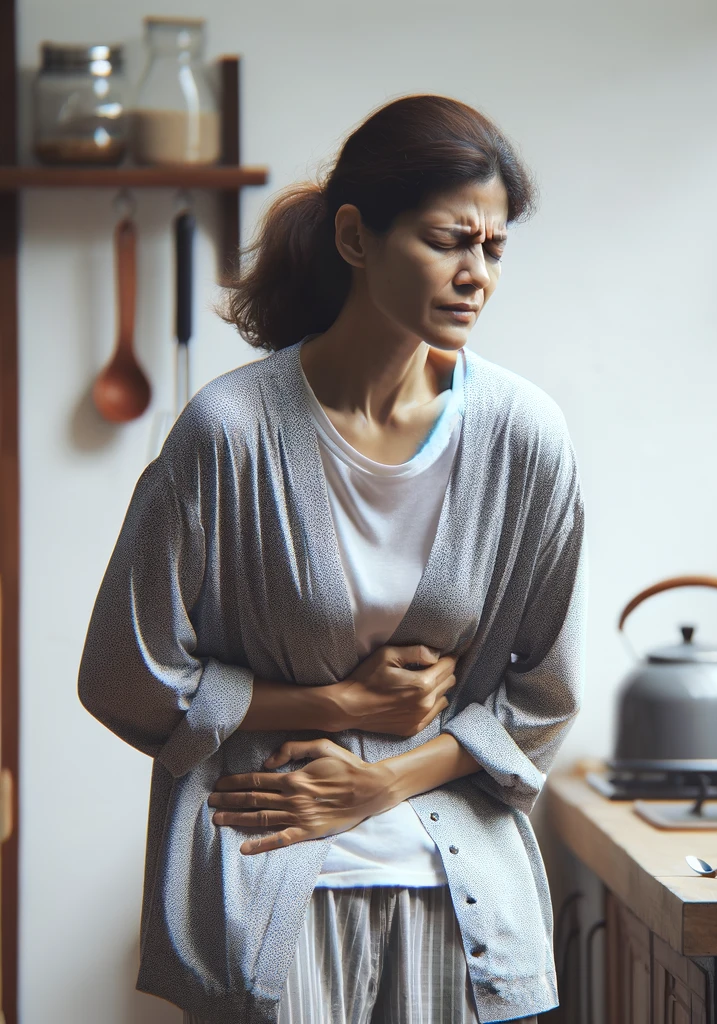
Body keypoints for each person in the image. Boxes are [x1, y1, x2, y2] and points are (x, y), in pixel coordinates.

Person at [77, 92, 588, 1024]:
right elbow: (124, 673)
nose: (476, 273)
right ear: (356, 237)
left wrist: (383, 777)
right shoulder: (228, 434)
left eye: (495, 248)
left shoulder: (524, 437)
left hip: (458, 907)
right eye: (448, 241)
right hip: (269, 885)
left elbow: (545, 695)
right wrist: (337, 704)